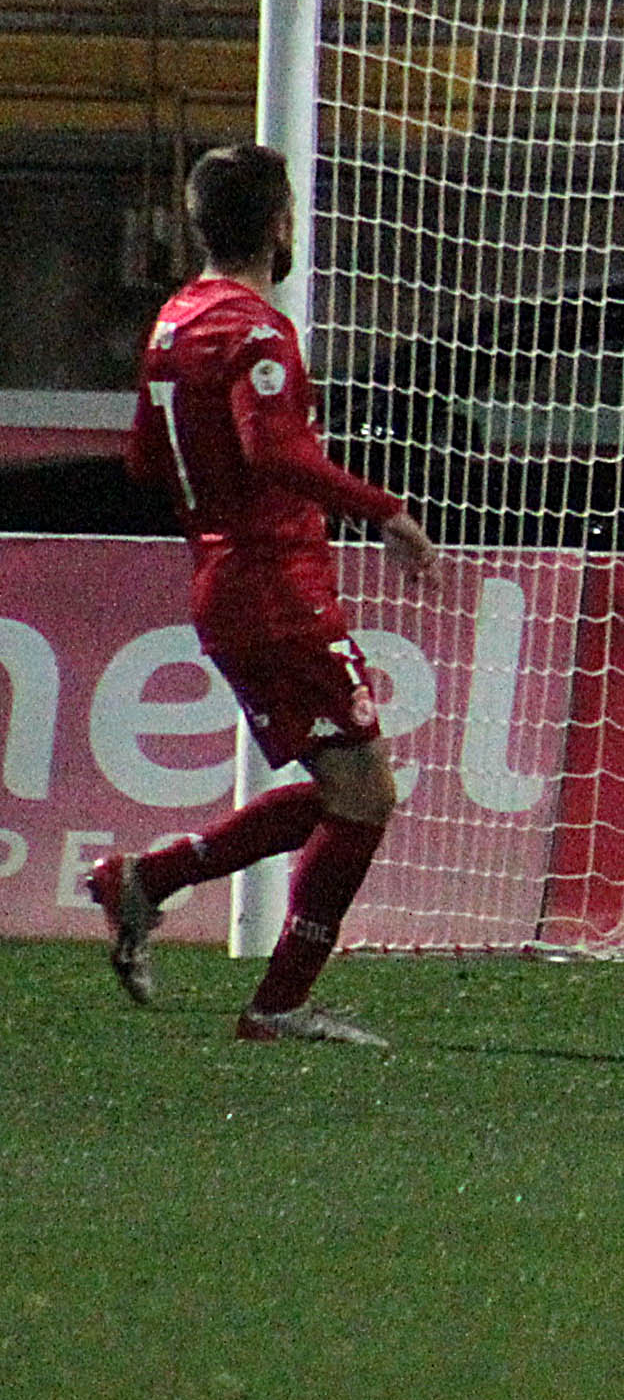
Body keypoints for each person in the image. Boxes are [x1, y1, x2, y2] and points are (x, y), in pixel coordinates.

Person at [84, 143, 437, 1047]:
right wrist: (386, 510)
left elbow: (141, 462)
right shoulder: (257, 331)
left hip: (223, 582)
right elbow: (274, 454)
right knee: (366, 797)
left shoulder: (173, 322)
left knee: (349, 789)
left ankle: (149, 881)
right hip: (278, 592)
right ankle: (276, 1003)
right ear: (281, 224)